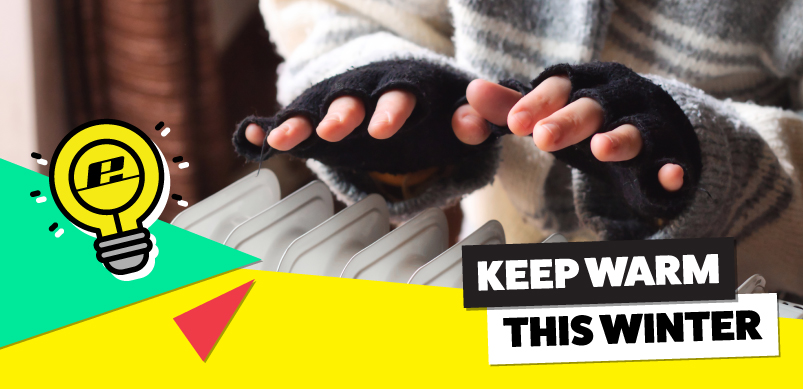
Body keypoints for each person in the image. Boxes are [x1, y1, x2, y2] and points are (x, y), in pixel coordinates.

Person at [232, 0, 803, 297]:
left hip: (750, 293)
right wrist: (384, 85)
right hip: (510, 268)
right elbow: (340, 16)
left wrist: (721, 165)